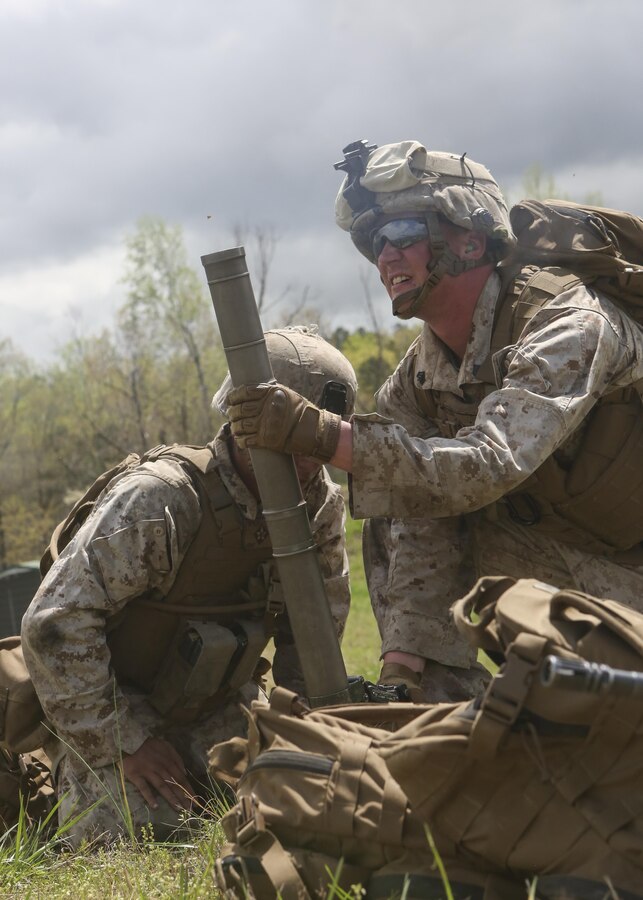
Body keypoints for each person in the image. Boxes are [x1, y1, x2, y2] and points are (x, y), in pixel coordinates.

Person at [227, 140, 643, 704]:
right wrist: (405, 671)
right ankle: (429, 699)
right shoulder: (415, 383)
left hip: (626, 575)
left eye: (402, 236)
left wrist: (320, 433)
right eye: (375, 244)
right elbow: (420, 516)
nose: (385, 259)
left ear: (470, 239)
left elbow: (488, 463)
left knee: (397, 468)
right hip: (577, 567)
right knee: (394, 497)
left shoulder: (570, 322)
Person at [21, 326, 357, 847]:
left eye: (321, 435)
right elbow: (54, 625)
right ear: (246, 423)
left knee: (309, 805)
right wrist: (126, 742)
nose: (312, 458)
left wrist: (301, 737)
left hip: (222, 703)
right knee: (153, 831)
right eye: (296, 433)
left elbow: (315, 634)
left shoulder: (318, 505)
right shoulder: (163, 499)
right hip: (117, 705)